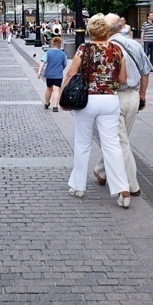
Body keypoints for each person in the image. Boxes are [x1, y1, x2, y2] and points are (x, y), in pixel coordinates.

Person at [63, 14, 132, 208]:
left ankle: (78, 186)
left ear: (90, 32)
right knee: (112, 144)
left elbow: (71, 73)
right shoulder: (117, 49)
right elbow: (123, 78)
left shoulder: (83, 49)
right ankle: (123, 190)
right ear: (107, 32)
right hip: (110, 99)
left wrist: (64, 95)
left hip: (87, 100)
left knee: (83, 142)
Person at [93, 14, 153, 195]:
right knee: (120, 139)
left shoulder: (107, 48)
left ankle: (131, 185)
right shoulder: (134, 44)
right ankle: (101, 172)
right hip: (133, 97)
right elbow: (146, 71)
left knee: (120, 142)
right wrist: (142, 95)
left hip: (114, 98)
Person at [37, 36, 67, 111]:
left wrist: (39, 71)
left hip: (49, 74)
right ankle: (55, 106)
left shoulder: (48, 53)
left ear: (53, 43)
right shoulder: (63, 54)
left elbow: (42, 62)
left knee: (49, 89)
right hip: (58, 75)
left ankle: (47, 103)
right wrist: (61, 69)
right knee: (56, 90)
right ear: (60, 44)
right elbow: (65, 64)